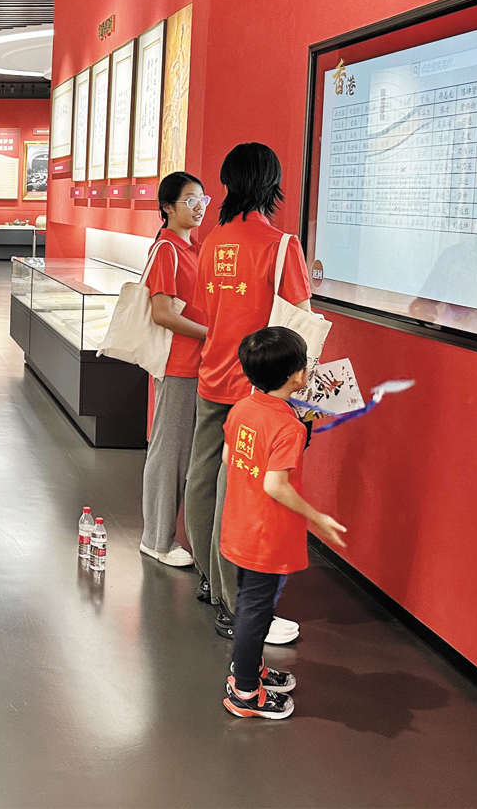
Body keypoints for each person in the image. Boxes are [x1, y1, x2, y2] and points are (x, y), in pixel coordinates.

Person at [184, 142, 311, 644]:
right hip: (256, 389)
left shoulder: (213, 240)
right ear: (271, 183)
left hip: (212, 373)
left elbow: (206, 310)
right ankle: (237, 605)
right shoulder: (281, 245)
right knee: (239, 493)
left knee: (202, 476)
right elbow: (300, 322)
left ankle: (208, 578)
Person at [220, 327, 347, 719]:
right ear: (297, 376)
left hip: (240, 525)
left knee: (250, 605)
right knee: (256, 611)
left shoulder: (242, 408)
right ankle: (245, 692)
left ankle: (248, 669)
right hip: (266, 536)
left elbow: (228, 458)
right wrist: (317, 517)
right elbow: (275, 485)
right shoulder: (288, 427)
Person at [139, 172, 210, 568]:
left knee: (183, 450)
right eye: (189, 200)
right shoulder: (167, 249)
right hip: (179, 363)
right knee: (170, 451)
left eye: (202, 199)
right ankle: (157, 539)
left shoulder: (193, 247)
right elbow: (162, 313)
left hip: (199, 362)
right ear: (167, 207)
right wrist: (211, 334)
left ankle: (165, 534)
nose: (199, 208)